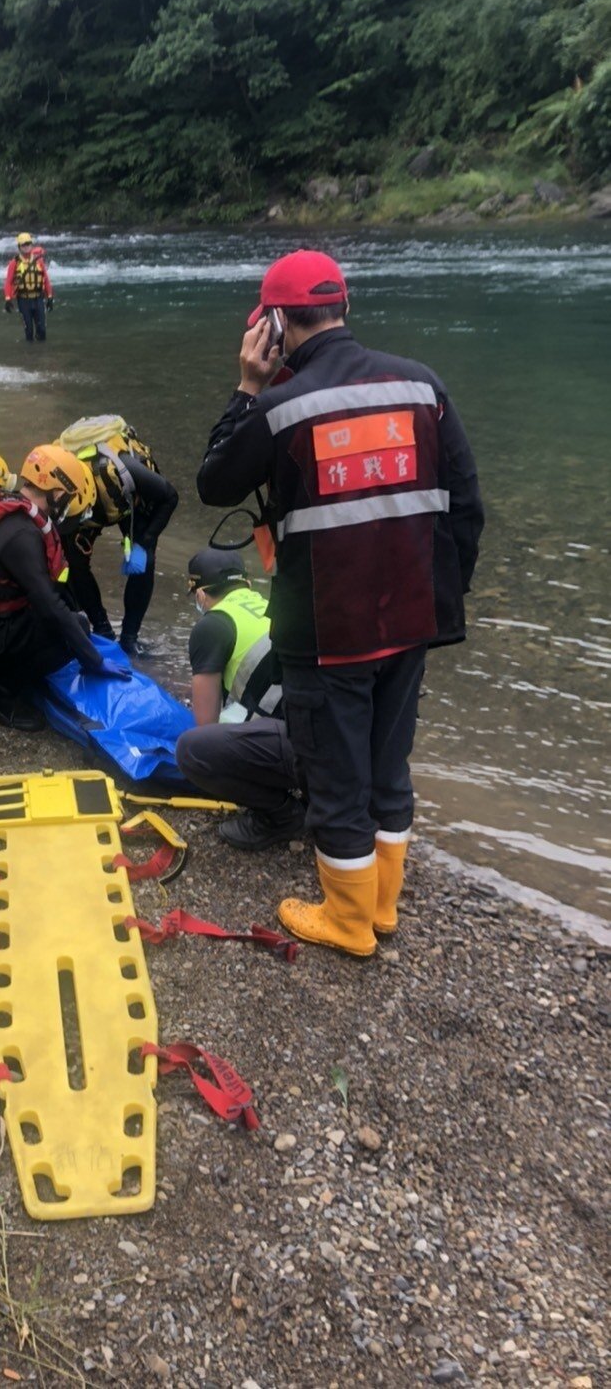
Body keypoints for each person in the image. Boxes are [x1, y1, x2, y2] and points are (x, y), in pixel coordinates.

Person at [197, 249, 484, 957]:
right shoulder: (423, 387)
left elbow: (214, 483)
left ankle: (349, 922)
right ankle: (382, 907)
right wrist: (441, 598)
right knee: (390, 765)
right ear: (344, 307)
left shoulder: (278, 406)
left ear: (273, 321)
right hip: (411, 619)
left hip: (327, 633)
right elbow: (467, 507)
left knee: (335, 773)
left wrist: (245, 386)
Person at [0, 444, 128, 730]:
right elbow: (50, 606)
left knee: (70, 625)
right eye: (69, 498)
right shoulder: (22, 533)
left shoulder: (7, 506)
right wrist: (94, 660)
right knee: (66, 637)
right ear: (57, 492)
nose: (69, 507)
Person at [174, 549, 306, 852]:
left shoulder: (212, 625)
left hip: (304, 751)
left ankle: (280, 815)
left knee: (193, 750)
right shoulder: (267, 606)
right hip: (343, 750)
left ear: (202, 594)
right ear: (244, 584)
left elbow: (204, 724)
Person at [57, 415, 178, 656]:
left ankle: (129, 638)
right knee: (72, 563)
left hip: (124, 498)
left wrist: (144, 543)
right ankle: (103, 631)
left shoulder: (124, 471)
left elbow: (170, 497)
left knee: (147, 562)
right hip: (86, 505)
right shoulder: (56, 487)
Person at [3, 232, 53, 342]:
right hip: (23, 300)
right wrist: (8, 299)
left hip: (38, 299)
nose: (26, 246)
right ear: (19, 247)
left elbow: (46, 280)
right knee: (29, 331)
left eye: (28, 244)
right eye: (23, 245)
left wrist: (49, 297)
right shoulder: (14, 263)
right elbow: (8, 282)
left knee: (42, 330)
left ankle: (40, 354)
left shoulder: (39, 261)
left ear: (31, 245)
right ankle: (29, 355)